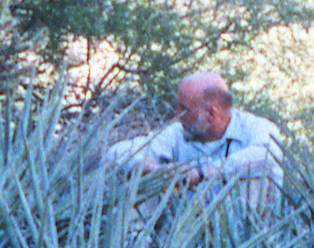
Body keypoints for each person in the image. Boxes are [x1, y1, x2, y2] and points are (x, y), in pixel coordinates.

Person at [107, 70, 284, 211]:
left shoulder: (256, 128)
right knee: (140, 181)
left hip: (244, 241)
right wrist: (156, 170)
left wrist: (204, 173)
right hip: (183, 234)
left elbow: (269, 154)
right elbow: (116, 153)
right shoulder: (178, 132)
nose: (177, 114)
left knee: (254, 180)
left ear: (211, 114)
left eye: (184, 109)